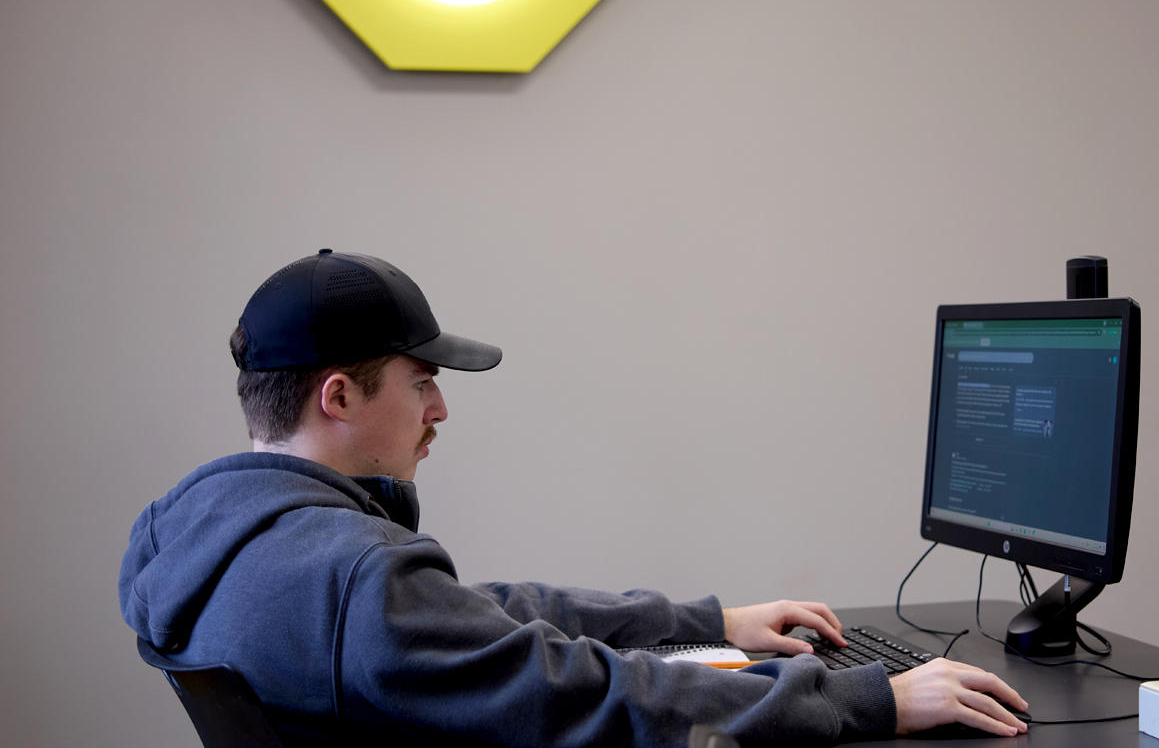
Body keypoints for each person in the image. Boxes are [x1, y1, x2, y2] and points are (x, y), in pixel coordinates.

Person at [119, 250, 1028, 746]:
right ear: (339, 396)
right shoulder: (356, 580)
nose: (439, 410)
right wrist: (873, 698)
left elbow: (477, 617)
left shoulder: (225, 543)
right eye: (421, 382)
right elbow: (595, 696)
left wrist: (708, 621)